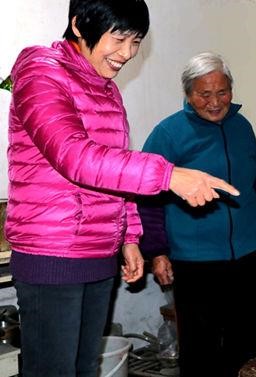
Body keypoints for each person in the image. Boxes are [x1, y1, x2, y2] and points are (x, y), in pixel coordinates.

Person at [6, 2, 238, 377]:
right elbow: (75, 156)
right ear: (79, 25)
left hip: (97, 252)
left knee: (84, 367)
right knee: (53, 370)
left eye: (136, 41)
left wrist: (128, 236)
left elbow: (115, 167)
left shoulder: (106, 90)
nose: (128, 53)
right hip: (53, 251)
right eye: (119, 38)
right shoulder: (41, 73)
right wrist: (170, 175)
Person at [139, 52, 256, 377]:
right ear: (188, 94)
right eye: (204, 94)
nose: (215, 102)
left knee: (247, 342)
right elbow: (147, 196)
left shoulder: (242, 127)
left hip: (246, 253)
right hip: (195, 261)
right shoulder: (169, 134)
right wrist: (157, 252)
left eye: (222, 92)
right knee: (202, 348)